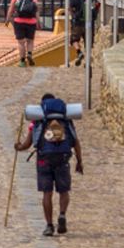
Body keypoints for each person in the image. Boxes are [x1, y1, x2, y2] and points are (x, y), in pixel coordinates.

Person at [15, 93, 83, 236]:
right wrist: (79, 161)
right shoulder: (66, 121)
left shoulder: (37, 121)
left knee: (47, 193)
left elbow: (27, 144)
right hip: (63, 159)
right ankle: (62, 214)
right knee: (64, 191)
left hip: (44, 160)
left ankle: (49, 225)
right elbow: (75, 142)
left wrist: (18, 147)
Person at [5, 0, 41, 66]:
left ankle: (22, 61)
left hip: (19, 21)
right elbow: (36, 10)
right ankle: (29, 54)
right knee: (30, 40)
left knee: (21, 42)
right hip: (31, 22)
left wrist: (7, 19)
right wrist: (38, 22)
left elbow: (11, 9)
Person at [68, 0, 99, 67]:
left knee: (74, 39)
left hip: (78, 23)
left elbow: (69, 8)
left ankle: (79, 52)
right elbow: (96, 7)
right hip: (89, 23)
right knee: (88, 43)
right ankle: (87, 62)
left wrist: (73, 16)